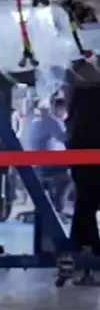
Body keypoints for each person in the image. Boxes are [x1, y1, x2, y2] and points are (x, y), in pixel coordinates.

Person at [63, 59, 100, 256]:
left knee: (86, 199)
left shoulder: (79, 93)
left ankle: (83, 244)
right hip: (89, 149)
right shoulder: (89, 95)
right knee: (88, 200)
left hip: (82, 148)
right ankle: (86, 245)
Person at [20, 96, 69, 214]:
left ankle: (56, 203)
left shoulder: (35, 117)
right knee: (73, 169)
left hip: (34, 160)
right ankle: (59, 206)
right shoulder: (49, 120)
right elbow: (64, 138)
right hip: (44, 163)